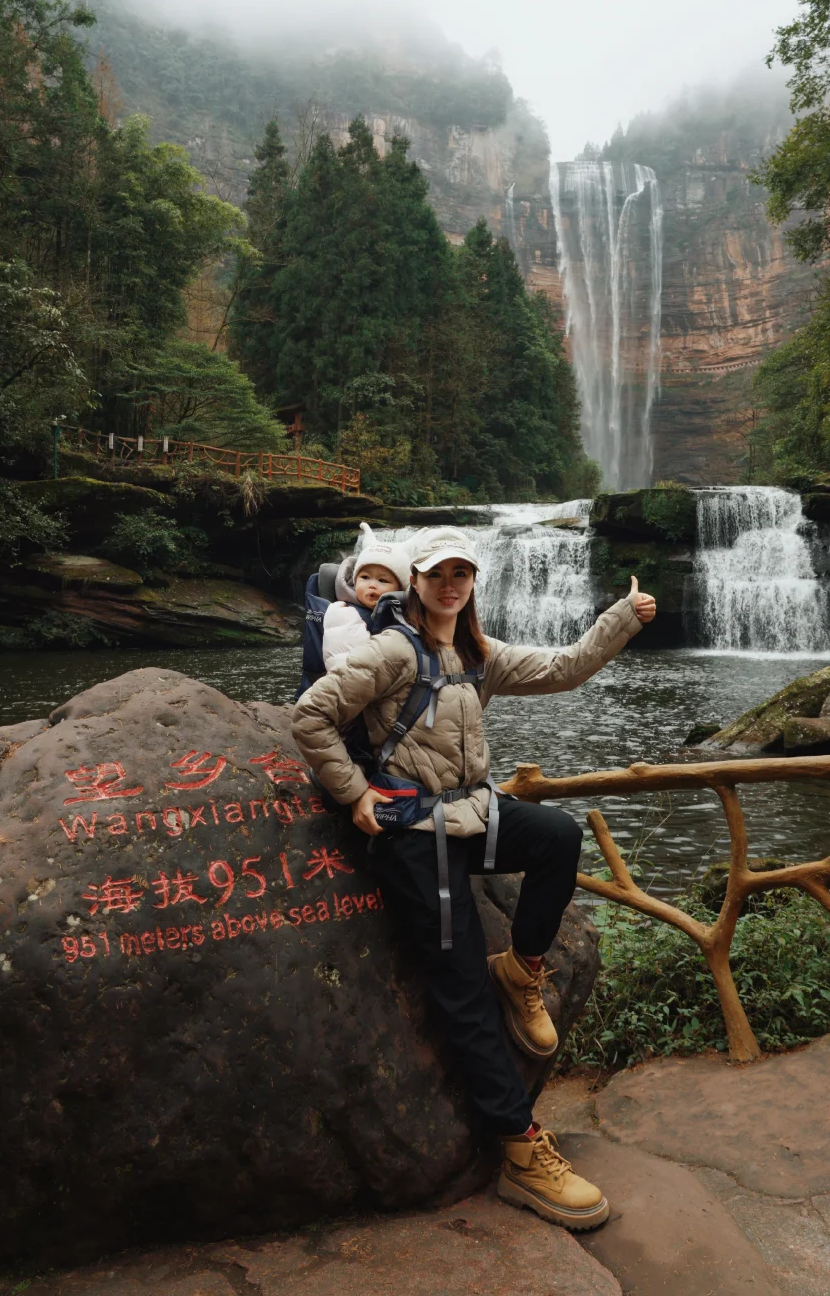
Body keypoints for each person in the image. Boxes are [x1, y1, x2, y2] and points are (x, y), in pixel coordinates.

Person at [292, 523, 657, 1231]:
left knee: (556, 835)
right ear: (418, 581)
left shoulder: (475, 655)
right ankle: (520, 1150)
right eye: (438, 573)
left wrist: (621, 618)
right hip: (411, 835)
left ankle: (521, 969)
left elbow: (565, 667)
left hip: (469, 814)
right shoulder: (392, 649)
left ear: (471, 583)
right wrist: (356, 794)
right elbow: (312, 715)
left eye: (462, 573)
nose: (450, 583)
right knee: (458, 984)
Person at [321, 525, 411, 671]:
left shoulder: (402, 612)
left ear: (400, 589)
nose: (372, 585)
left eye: (382, 581)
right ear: (355, 581)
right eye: (365, 577)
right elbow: (342, 666)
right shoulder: (344, 613)